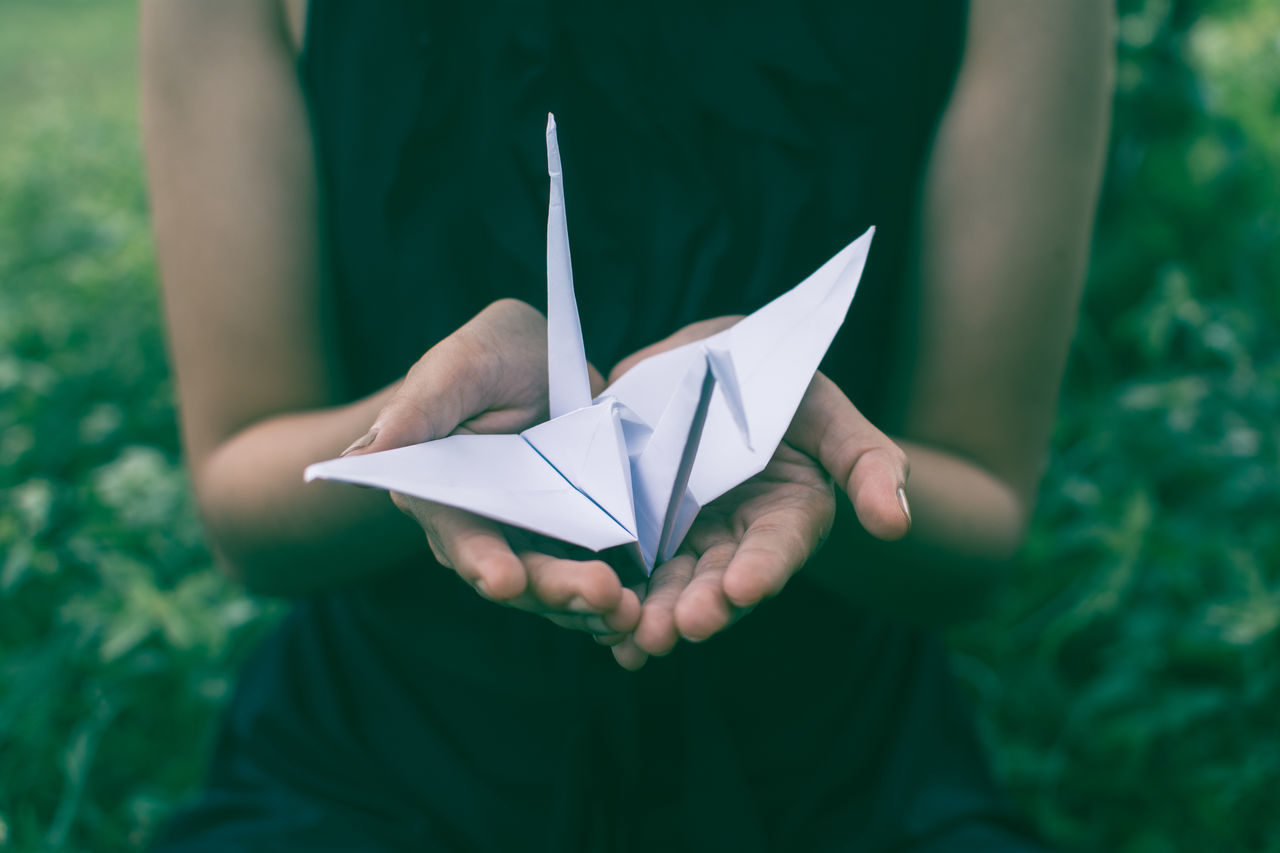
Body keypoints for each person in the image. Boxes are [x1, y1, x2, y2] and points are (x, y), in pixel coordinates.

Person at [141, 0, 1112, 849]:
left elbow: (977, 511)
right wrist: (441, 442)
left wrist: (793, 440)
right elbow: (243, 496)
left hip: (839, 782)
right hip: (376, 775)